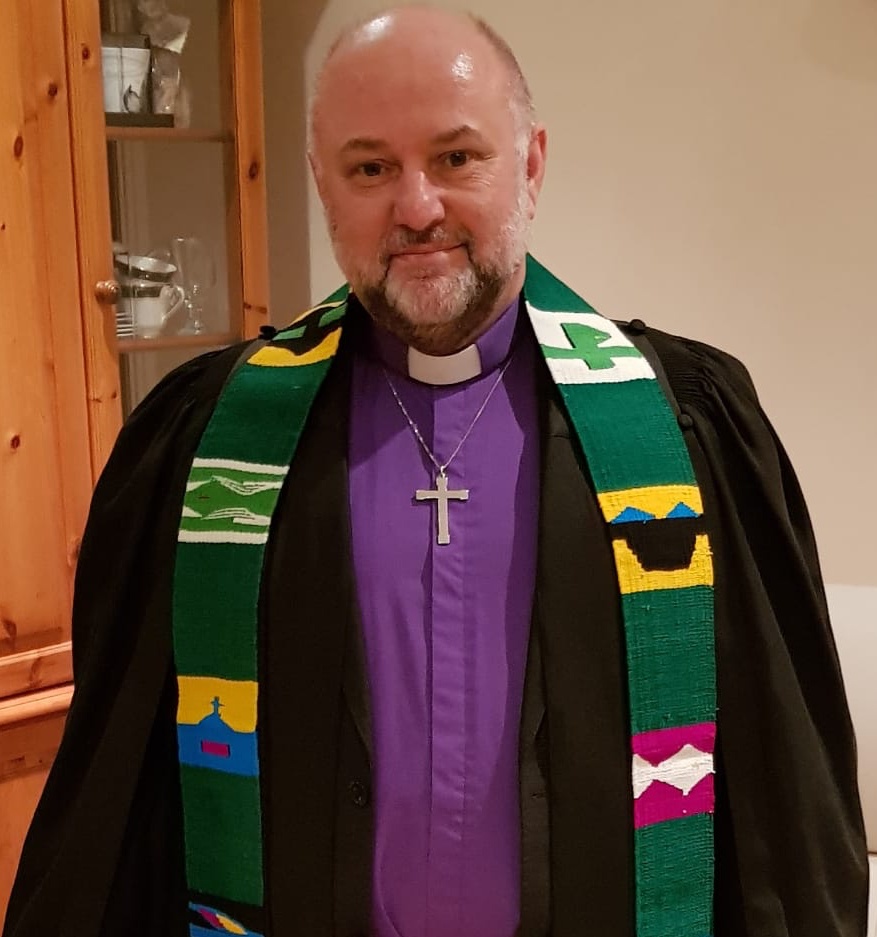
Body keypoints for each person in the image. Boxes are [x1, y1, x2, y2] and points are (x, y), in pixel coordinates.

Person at [3, 6, 867, 937]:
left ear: (530, 163)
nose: (416, 207)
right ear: (322, 186)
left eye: (457, 158)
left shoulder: (688, 428)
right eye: (369, 167)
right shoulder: (210, 439)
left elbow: (783, 792)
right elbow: (119, 799)